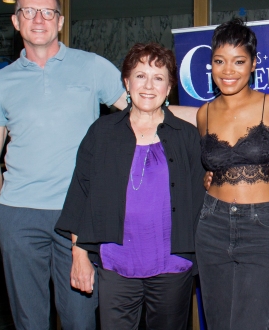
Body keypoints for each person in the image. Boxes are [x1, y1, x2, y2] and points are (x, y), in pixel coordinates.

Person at [0, 0, 127, 329]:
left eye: (48, 12)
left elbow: (142, 114)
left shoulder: (92, 67)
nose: (39, 19)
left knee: (80, 319)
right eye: (29, 11)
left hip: (77, 216)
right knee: (29, 320)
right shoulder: (1, 82)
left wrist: (204, 117)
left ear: (60, 21)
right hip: (18, 215)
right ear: (17, 22)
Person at [55, 43, 205, 329]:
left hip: (173, 264)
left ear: (169, 86)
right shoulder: (102, 132)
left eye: (158, 77)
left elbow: (206, 197)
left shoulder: (187, 136)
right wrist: (80, 255)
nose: (148, 85)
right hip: (115, 264)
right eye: (140, 76)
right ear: (126, 82)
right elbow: (80, 195)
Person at [195, 18, 269, 330]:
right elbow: (208, 169)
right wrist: (206, 180)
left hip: (262, 228)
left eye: (238, 62)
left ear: (253, 65)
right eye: (219, 61)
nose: (228, 70)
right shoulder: (203, 113)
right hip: (212, 225)